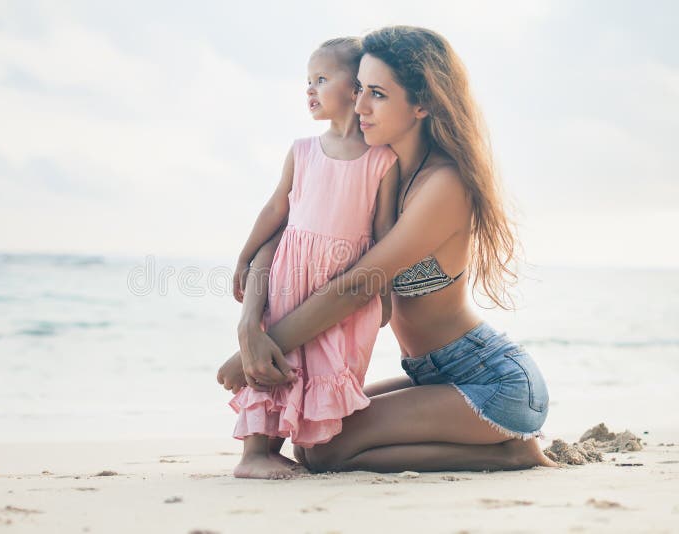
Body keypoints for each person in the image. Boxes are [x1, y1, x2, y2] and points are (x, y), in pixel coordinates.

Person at [218, 26, 559, 473]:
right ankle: (499, 448)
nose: (359, 106)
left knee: (325, 450)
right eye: (359, 88)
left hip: (491, 382)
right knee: (312, 437)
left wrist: (258, 353)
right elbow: (283, 235)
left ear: (422, 104)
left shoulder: (444, 185)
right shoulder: (377, 177)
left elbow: (359, 285)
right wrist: (249, 325)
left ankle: (510, 452)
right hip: (431, 373)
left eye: (377, 93)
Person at [227, 37, 400, 479]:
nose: (309, 90)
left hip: (341, 283)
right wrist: (246, 256)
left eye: (321, 79)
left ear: (356, 89)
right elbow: (275, 209)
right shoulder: (302, 150)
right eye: (308, 80)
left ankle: (287, 447)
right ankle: (254, 454)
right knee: (276, 364)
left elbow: (383, 234)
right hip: (292, 274)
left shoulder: (382, 160)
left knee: (321, 365)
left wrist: (386, 293)